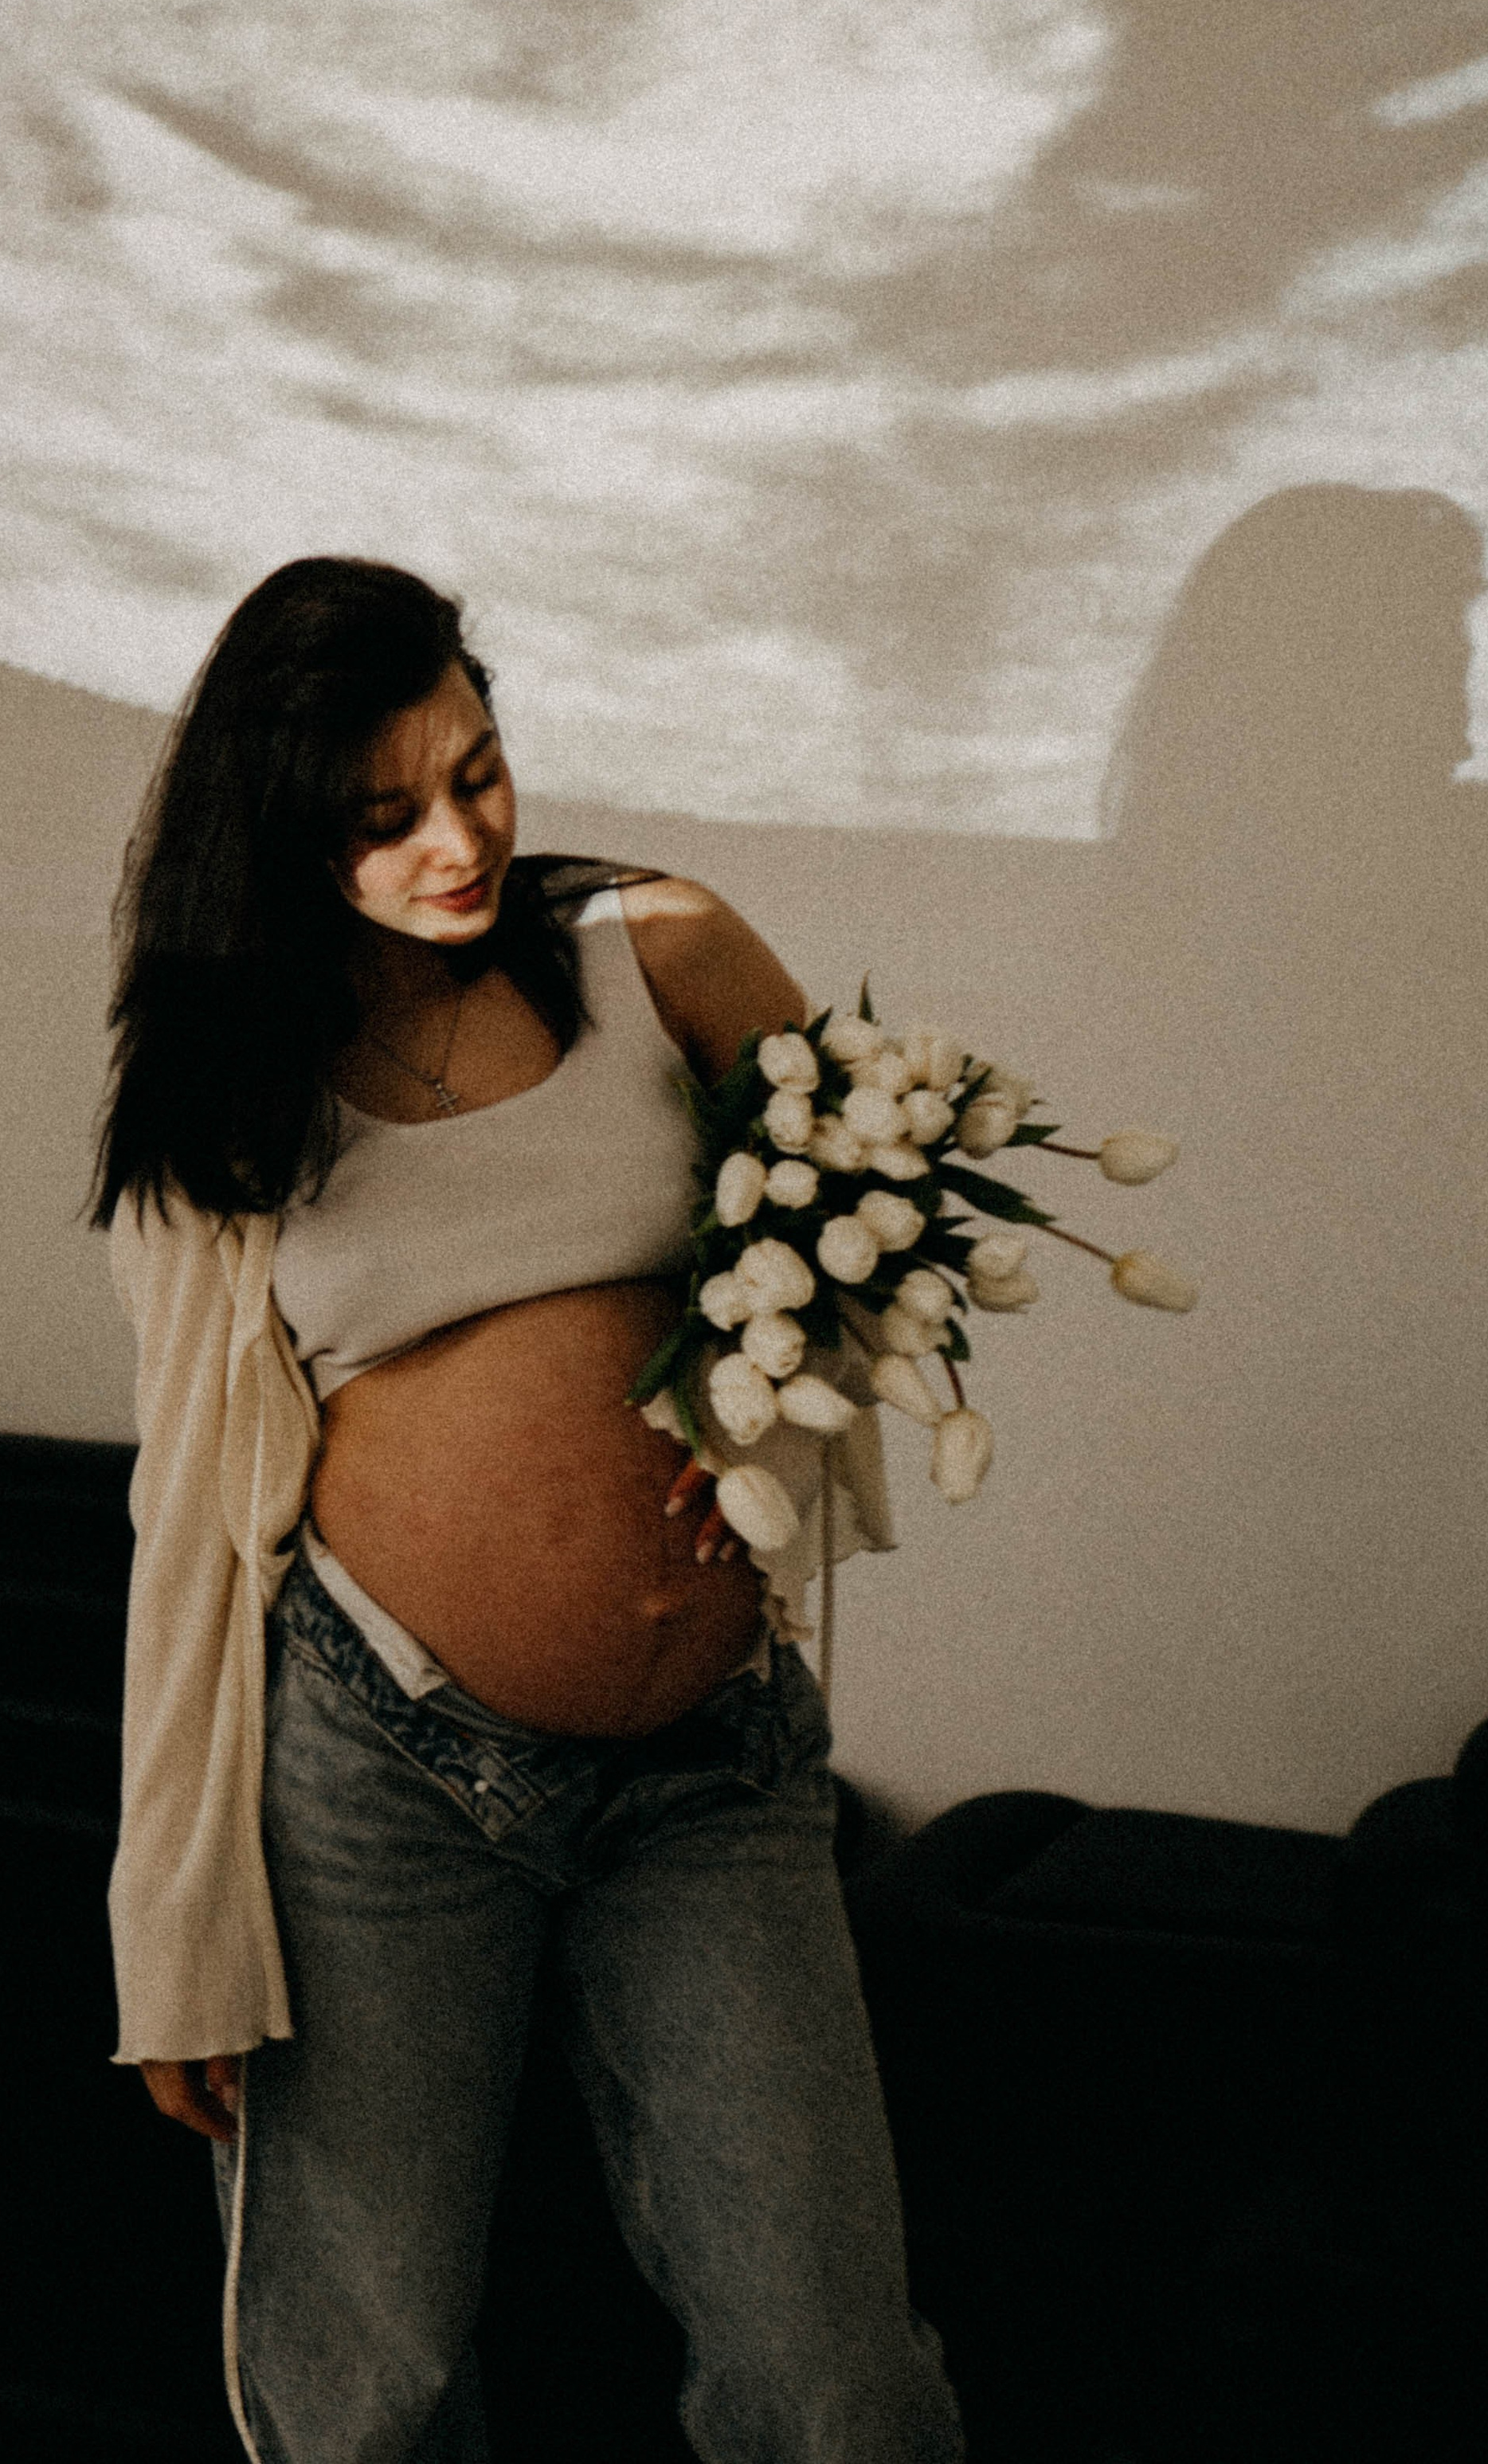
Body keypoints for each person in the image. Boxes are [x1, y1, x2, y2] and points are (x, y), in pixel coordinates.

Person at [90, 554, 965, 2464]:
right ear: (281, 824)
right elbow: (185, 1517)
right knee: (367, 2384)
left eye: (476, 773)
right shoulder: (228, 1089)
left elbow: (880, 1229)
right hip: (378, 1774)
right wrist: (171, 1937)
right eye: (380, 815)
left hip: (709, 1770)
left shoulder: (656, 950)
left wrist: (770, 1404)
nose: (454, 840)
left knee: (831, 2375)